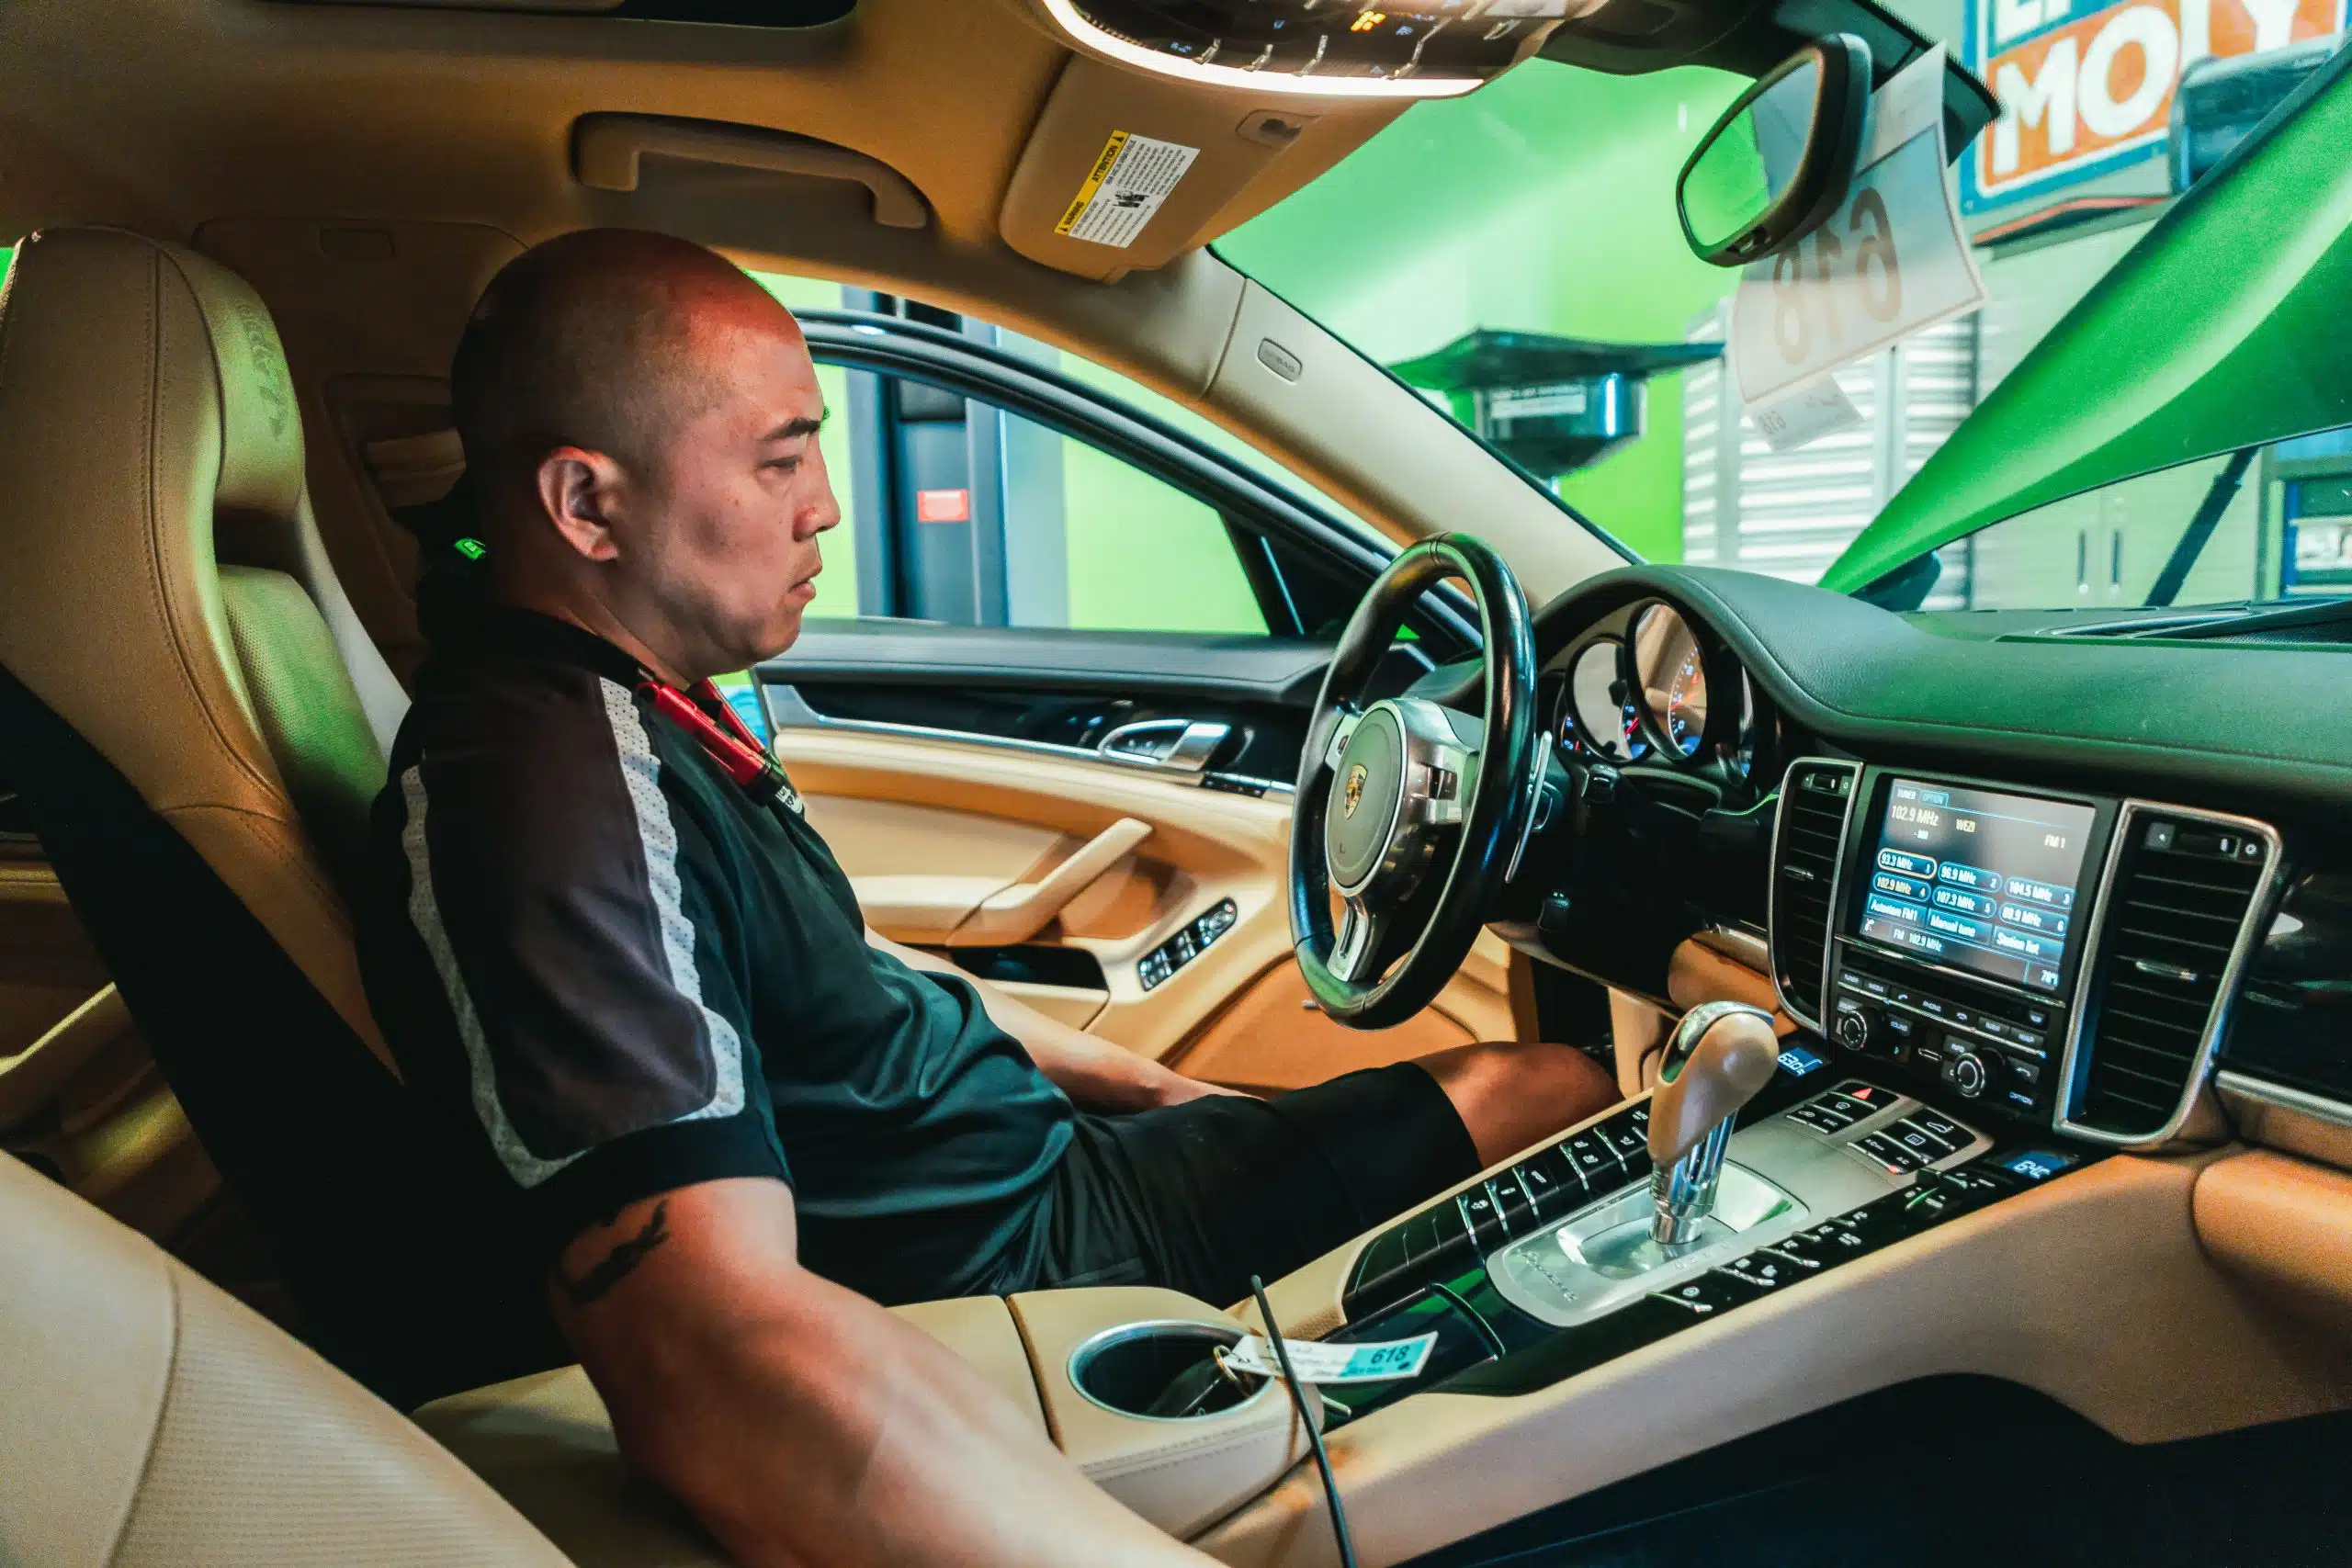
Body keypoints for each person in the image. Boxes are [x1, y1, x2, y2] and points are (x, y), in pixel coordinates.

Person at [356, 227, 1620, 1567]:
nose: (827, 504)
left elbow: (856, 989)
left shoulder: (642, 720)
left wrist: (1158, 1091)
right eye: (781, 456)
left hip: (1047, 1175)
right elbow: (709, 1355)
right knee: (1544, 1095)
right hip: (1024, 1266)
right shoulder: (548, 797)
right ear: (586, 505)